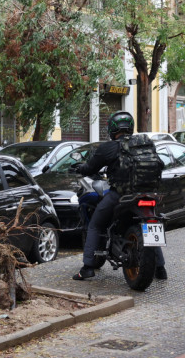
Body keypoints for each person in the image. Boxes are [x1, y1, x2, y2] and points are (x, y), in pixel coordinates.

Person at [71, 111, 167, 282]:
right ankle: (160, 269)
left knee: (95, 225)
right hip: (148, 194)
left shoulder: (109, 147)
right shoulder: (145, 144)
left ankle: (87, 268)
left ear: (112, 129)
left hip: (121, 195)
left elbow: (90, 168)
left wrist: (80, 168)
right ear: (131, 127)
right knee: (151, 224)